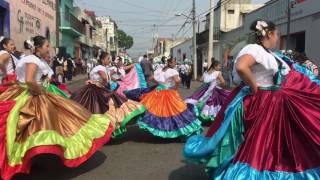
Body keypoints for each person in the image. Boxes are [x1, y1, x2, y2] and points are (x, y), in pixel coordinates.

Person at [183, 20, 320, 179]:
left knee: (266, 143)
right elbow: (242, 67)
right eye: (276, 34)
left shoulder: (267, 52)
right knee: (259, 143)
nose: (277, 38)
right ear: (268, 34)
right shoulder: (254, 49)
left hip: (268, 101)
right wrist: (255, 88)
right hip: (262, 101)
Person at [0, 36, 114, 180]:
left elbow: (26, 78)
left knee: (36, 127)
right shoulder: (32, 60)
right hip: (31, 94)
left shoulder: (33, 60)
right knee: (36, 126)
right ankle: (31, 157)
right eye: (47, 46)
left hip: (25, 92)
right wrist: (40, 90)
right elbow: (29, 80)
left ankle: (35, 158)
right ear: (38, 48)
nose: (49, 49)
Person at [71, 52, 145, 137]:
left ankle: (100, 129)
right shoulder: (100, 67)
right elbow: (105, 77)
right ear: (102, 60)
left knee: (99, 109)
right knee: (102, 109)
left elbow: (108, 77)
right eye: (108, 59)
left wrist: (112, 80)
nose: (109, 61)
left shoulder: (103, 68)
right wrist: (104, 84)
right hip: (97, 91)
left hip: (96, 90)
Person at [125, 57, 202, 138]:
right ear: (170, 63)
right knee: (174, 111)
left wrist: (159, 83)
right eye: (174, 62)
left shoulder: (160, 70)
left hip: (158, 90)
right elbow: (177, 81)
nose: (175, 64)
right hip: (168, 92)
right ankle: (174, 129)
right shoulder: (172, 71)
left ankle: (160, 129)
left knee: (157, 110)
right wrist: (175, 89)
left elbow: (151, 78)